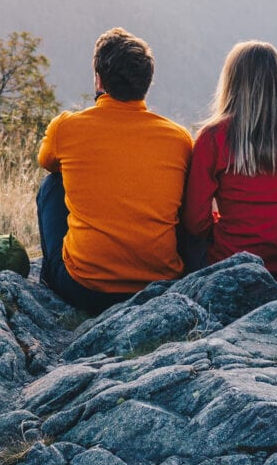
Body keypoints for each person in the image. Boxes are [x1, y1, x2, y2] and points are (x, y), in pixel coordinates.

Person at [36, 28, 195, 314]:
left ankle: (50, 277)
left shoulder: (66, 128)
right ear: (147, 83)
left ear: (99, 79)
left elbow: (47, 161)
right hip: (158, 286)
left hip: (84, 288)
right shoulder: (179, 138)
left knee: (52, 185)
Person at [184, 40, 277, 279]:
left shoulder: (214, 137)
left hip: (231, 265)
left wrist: (223, 226)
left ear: (232, 81)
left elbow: (195, 222)